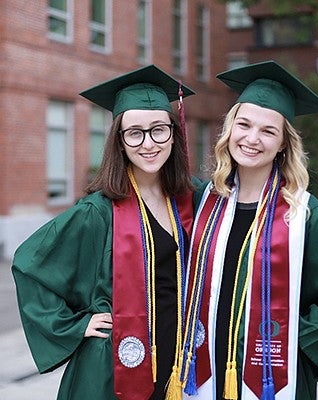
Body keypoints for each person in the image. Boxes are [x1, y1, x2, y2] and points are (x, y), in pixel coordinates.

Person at [177, 61, 318, 400]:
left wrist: (300, 337)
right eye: (243, 125)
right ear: (229, 130)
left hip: (271, 378)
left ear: (283, 144)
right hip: (203, 371)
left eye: (268, 131)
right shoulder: (205, 202)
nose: (252, 139)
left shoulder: (304, 215)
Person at [12, 64, 196, 400]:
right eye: (134, 132)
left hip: (182, 361)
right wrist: (76, 324)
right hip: (115, 368)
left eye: (158, 130)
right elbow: (30, 264)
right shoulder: (97, 211)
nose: (148, 143)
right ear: (120, 141)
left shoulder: (192, 199)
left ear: (174, 132)